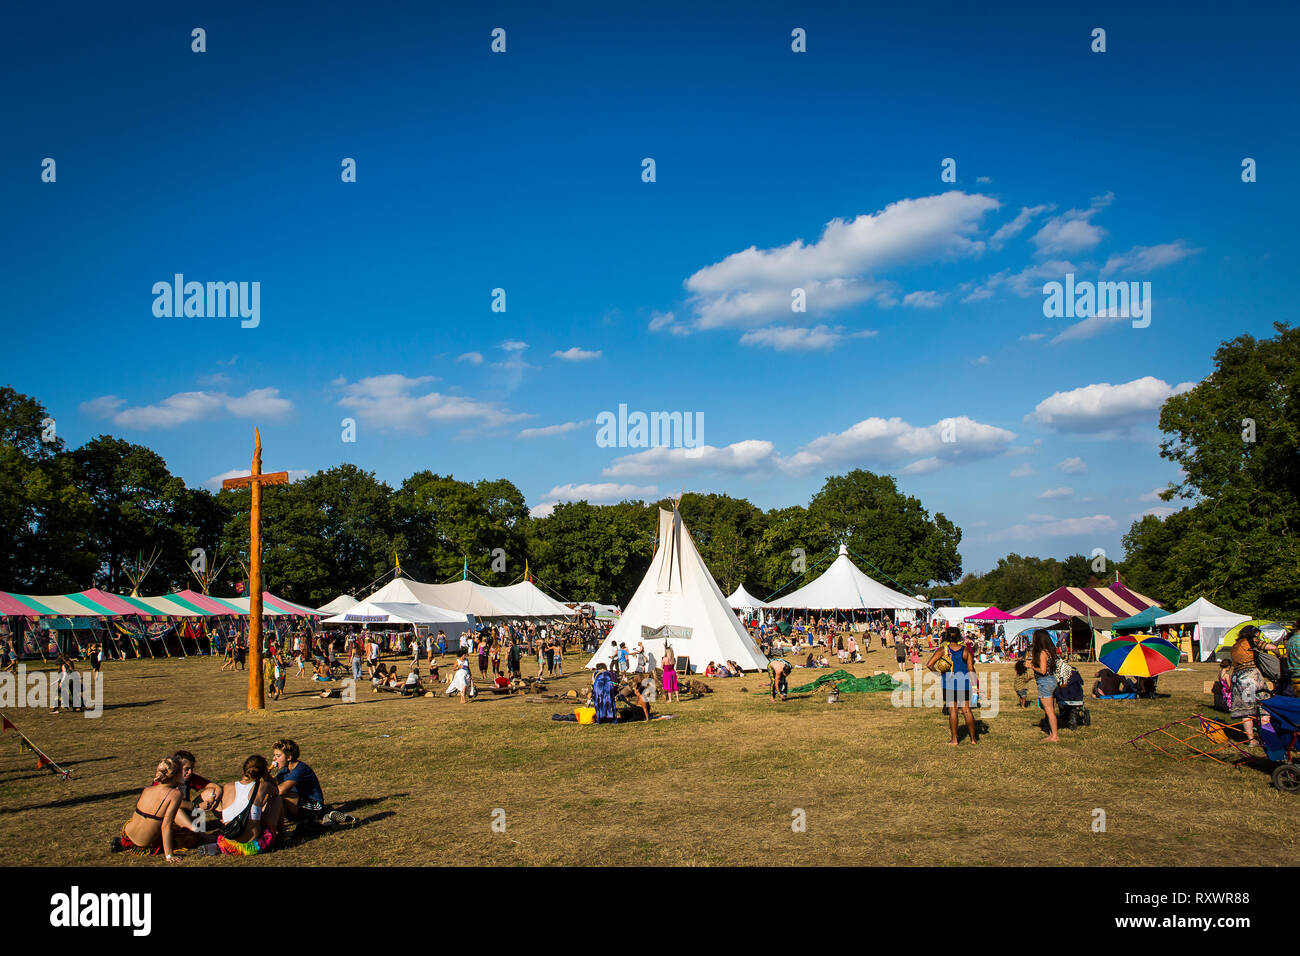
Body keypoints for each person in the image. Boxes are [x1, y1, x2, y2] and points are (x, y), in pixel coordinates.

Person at [111, 756, 189, 860]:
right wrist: (169, 855)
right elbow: (166, 826)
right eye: (183, 771)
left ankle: (122, 844)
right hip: (144, 845)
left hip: (127, 834)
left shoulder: (147, 789)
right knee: (190, 837)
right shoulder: (175, 794)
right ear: (176, 775)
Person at [202, 755, 282, 856]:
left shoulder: (227, 787)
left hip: (228, 845)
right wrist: (268, 778)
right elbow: (276, 792)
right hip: (254, 846)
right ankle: (281, 833)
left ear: (244, 770)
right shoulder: (263, 786)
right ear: (263, 772)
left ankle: (218, 847)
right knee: (277, 799)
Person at [928, 627, 977, 745]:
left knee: (953, 710)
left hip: (949, 684)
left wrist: (939, 674)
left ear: (947, 637)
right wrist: (974, 686)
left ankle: (954, 740)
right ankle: (973, 739)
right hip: (964, 683)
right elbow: (971, 669)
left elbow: (929, 664)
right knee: (966, 710)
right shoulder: (966, 651)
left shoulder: (942, 650)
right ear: (959, 636)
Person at [1230, 624, 1273, 746]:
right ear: (1253, 634)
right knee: (1265, 707)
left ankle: (1251, 740)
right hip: (1251, 677)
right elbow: (1270, 647)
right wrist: (1277, 653)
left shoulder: (1235, 645)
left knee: (1246, 711)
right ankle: (1268, 739)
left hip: (1237, 678)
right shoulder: (1251, 641)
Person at [1031, 629, 1060, 742]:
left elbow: (1043, 671)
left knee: (1049, 710)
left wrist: (1031, 666)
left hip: (1045, 682)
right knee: (1049, 709)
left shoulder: (1042, 653)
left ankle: (1054, 736)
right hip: (1051, 680)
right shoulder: (1049, 651)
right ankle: (1052, 733)